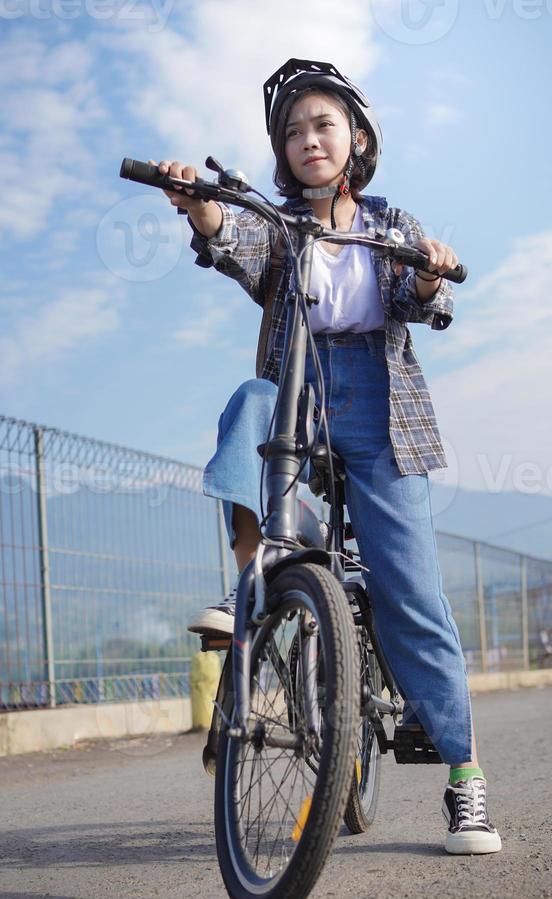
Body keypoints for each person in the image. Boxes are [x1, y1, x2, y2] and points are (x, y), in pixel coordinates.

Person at [151, 58, 501, 855]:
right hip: (298, 393)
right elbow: (227, 236)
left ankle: (465, 780)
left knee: (413, 597)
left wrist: (430, 269)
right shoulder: (276, 224)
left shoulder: (387, 221)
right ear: (281, 151)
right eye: (294, 131)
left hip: (377, 407)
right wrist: (198, 206)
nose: (309, 139)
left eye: (324, 125)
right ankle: (253, 581)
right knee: (247, 403)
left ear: (357, 139)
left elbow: (428, 298)